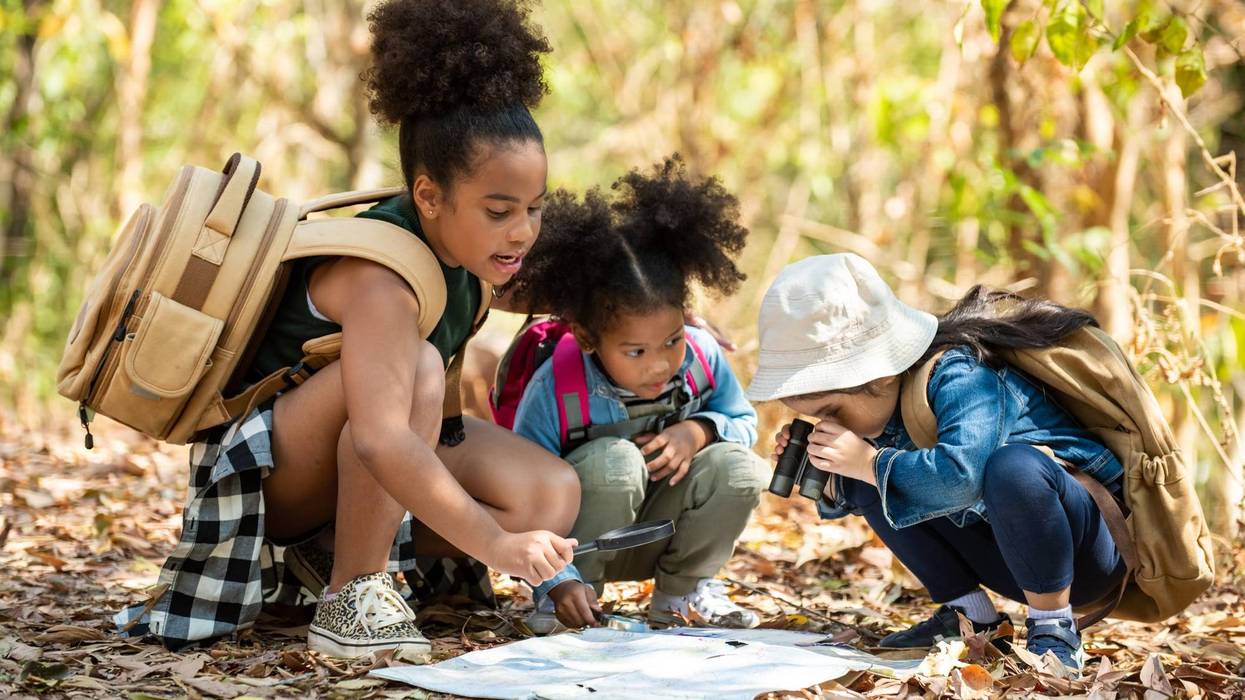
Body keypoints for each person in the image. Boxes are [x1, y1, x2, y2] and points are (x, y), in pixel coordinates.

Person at [116, 0, 581, 657]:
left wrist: (661, 305)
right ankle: (349, 594)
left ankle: (330, 552)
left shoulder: (475, 251)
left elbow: (583, 289)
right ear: (427, 196)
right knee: (417, 369)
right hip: (269, 474)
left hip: (360, 448)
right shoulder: (380, 277)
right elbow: (383, 440)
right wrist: (496, 545)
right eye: (501, 210)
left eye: (535, 208)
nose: (523, 231)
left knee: (550, 494)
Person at [750, 254, 1127, 671]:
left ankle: (1054, 628)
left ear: (882, 375)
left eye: (831, 411)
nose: (827, 424)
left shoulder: (962, 375)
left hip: (1083, 555)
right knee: (867, 472)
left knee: (1012, 467)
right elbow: (875, 484)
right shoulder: (880, 410)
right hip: (1008, 557)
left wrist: (870, 463)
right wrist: (828, 470)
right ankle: (970, 617)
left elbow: (962, 479)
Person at [509, 158, 770, 630]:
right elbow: (525, 490)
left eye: (672, 340)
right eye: (636, 351)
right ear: (589, 339)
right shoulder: (557, 386)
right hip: (579, 549)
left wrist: (700, 429)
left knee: (741, 468)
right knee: (615, 461)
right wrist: (556, 579)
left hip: (663, 535)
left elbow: (745, 422)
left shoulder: (702, 356)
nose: (659, 363)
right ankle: (571, 599)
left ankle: (682, 594)